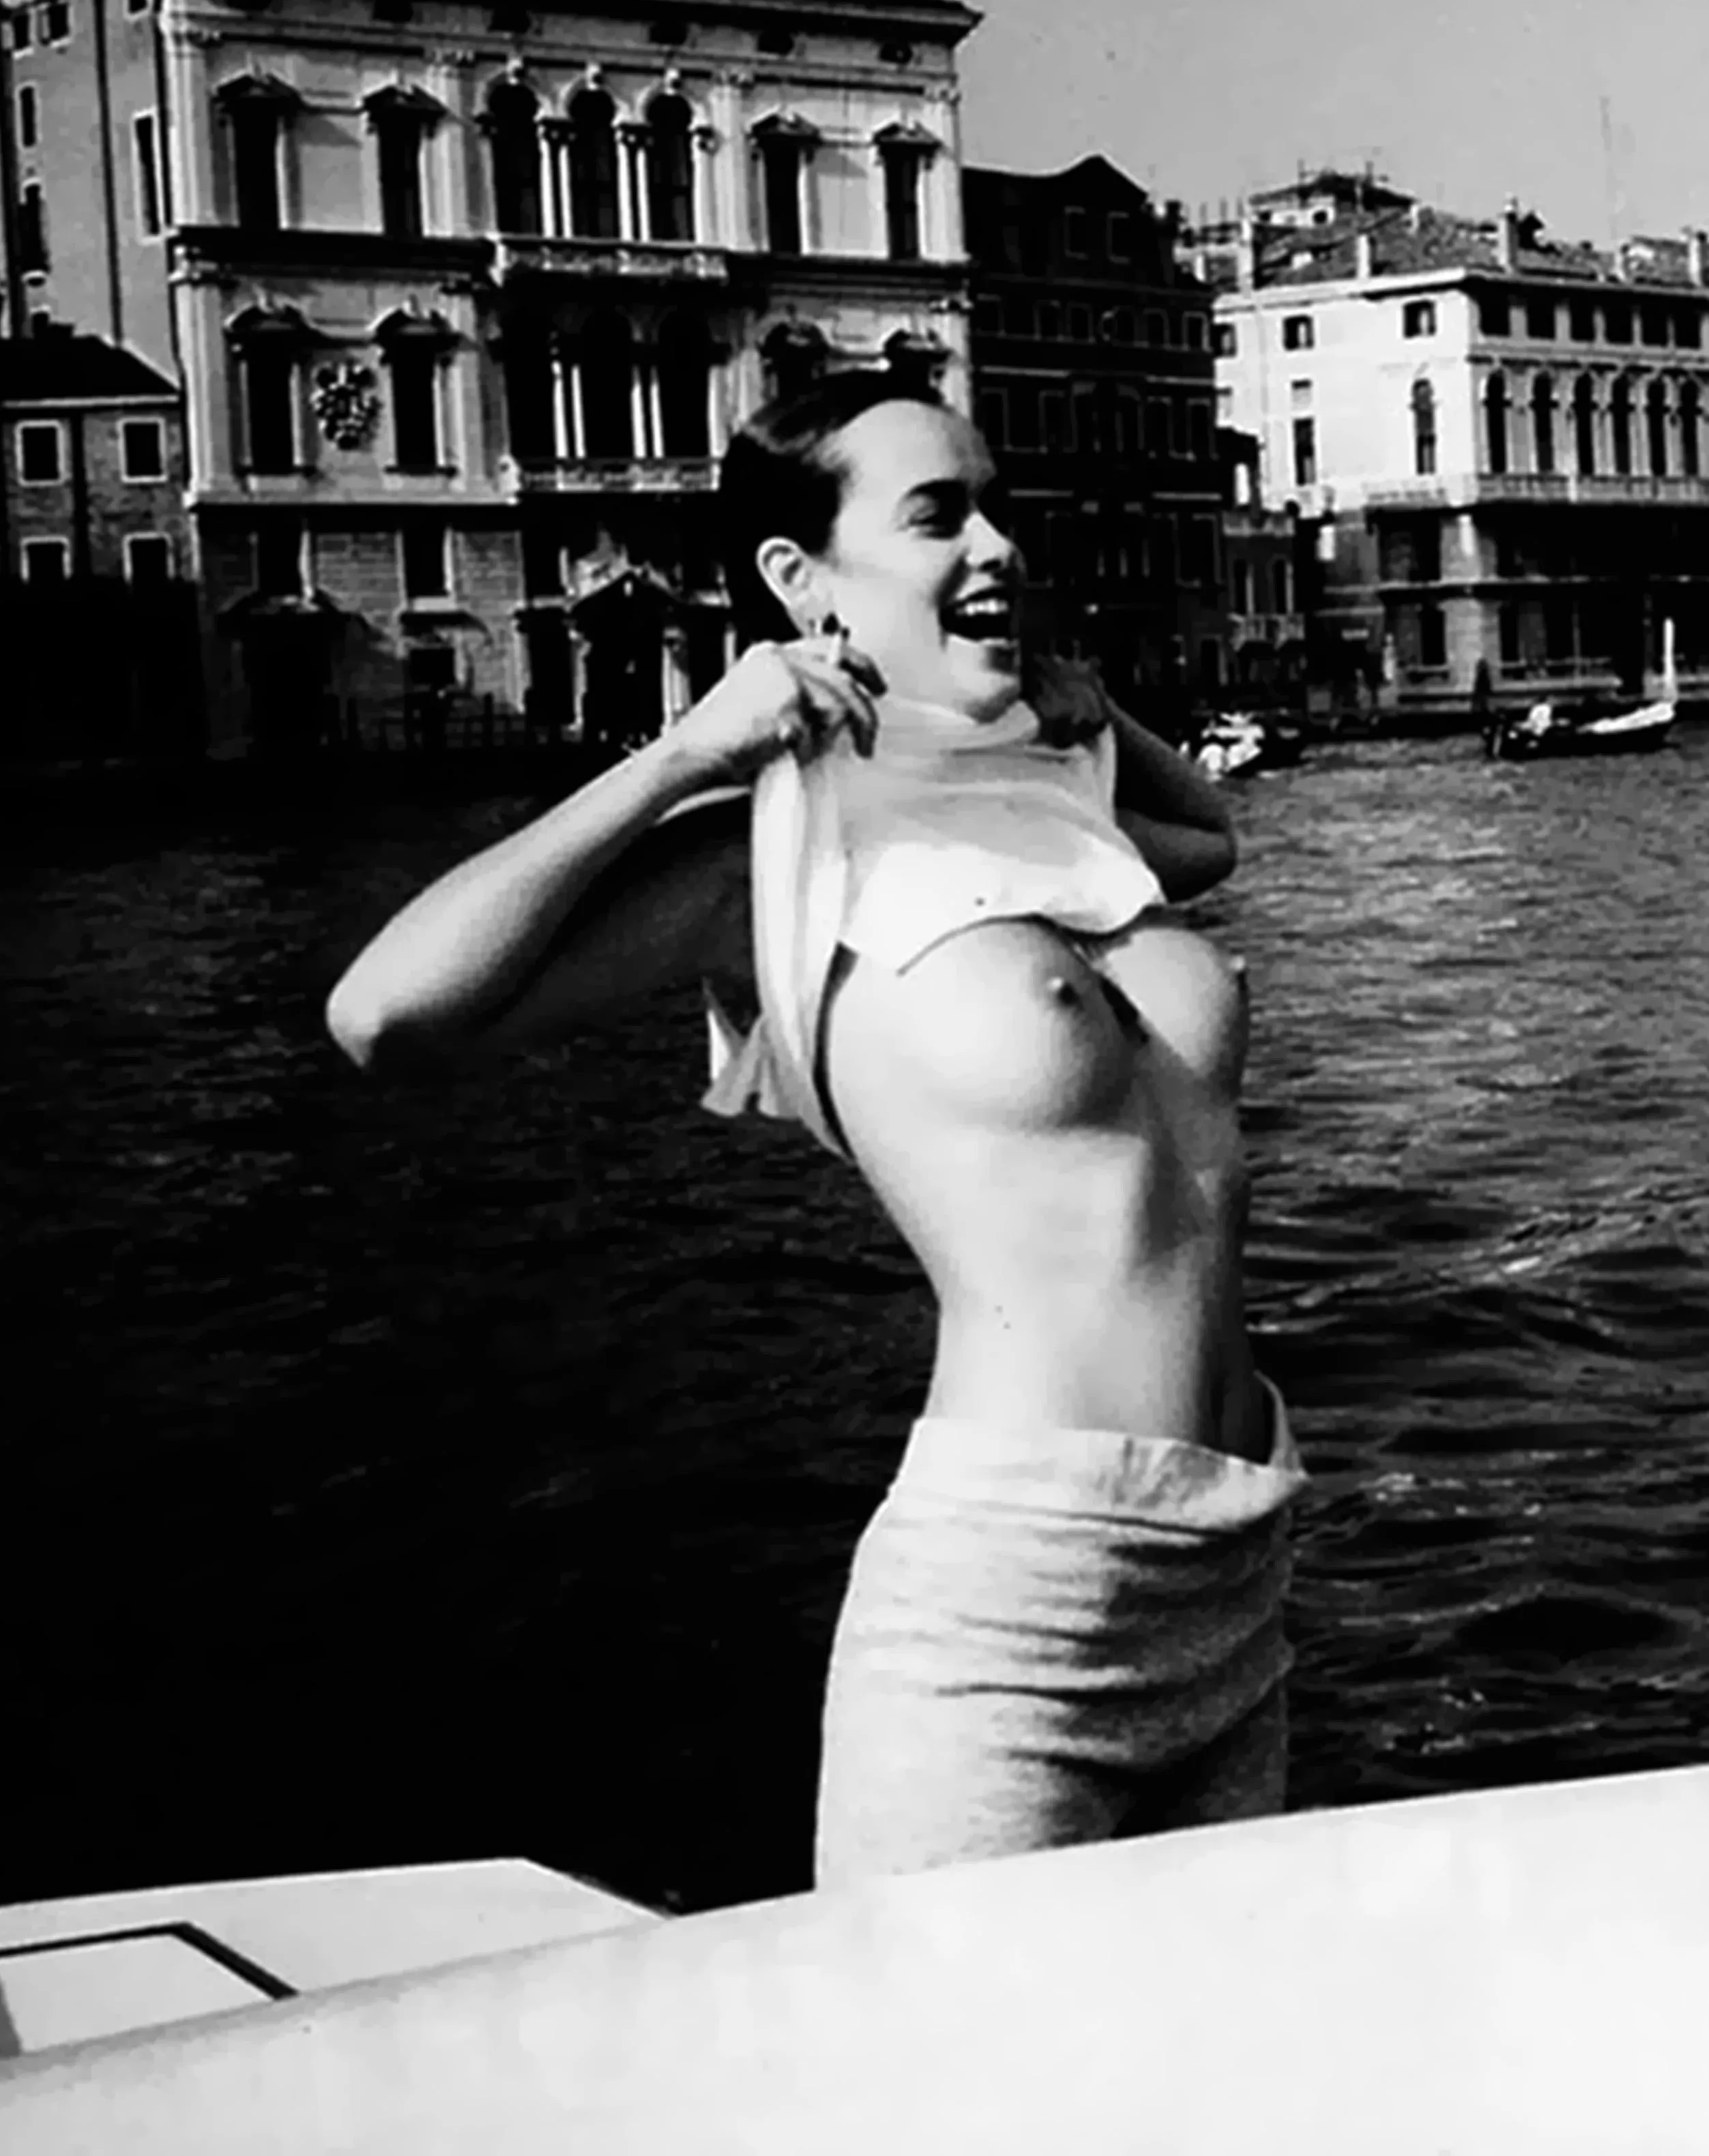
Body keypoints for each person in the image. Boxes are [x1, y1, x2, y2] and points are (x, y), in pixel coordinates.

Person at [323, 377, 1294, 1888]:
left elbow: (1209, 841)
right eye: (935, 516)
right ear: (800, 578)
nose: (995, 543)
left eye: (995, 507)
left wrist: (1086, 696)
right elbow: (385, 1013)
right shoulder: (769, 853)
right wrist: (677, 760)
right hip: (1017, 1598)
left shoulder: (1051, 796)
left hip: (1238, 1555)